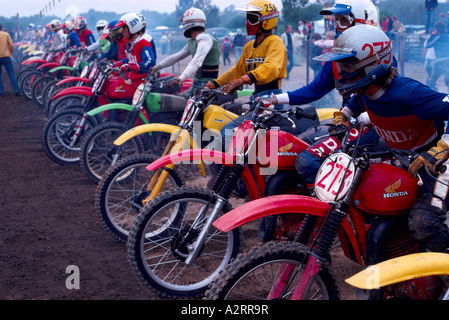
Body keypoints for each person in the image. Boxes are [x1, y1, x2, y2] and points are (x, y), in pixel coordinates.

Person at [323, 24, 449, 252]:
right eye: (340, 65)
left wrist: (442, 147)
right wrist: (343, 116)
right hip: (405, 158)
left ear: (370, 65)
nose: (341, 73)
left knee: (424, 224)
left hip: (439, 162)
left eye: (348, 66)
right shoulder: (366, 90)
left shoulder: (410, 93)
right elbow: (356, 103)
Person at [262, 0, 382, 189]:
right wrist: (275, 99)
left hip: (374, 126)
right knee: (299, 145)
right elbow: (314, 89)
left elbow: (388, 101)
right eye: (335, 20)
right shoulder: (337, 58)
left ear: (362, 23)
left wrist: (360, 117)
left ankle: (329, 210)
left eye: (342, 20)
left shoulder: (379, 54)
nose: (335, 26)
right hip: (349, 123)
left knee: (307, 160)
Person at [205, 0, 287, 151]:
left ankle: (240, 172)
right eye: (247, 17)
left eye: (253, 18)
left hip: (272, 100)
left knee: (228, 133)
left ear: (266, 21)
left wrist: (244, 79)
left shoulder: (275, 42)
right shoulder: (249, 46)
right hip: (256, 100)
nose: (248, 22)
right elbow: (237, 70)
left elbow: (271, 67)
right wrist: (214, 84)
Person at [151, 8, 220, 90]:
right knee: (185, 100)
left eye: (184, 23)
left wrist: (181, 78)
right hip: (198, 81)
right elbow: (177, 56)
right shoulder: (193, 41)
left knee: (190, 102)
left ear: (189, 23)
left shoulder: (205, 38)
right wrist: (156, 68)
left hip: (208, 84)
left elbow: (196, 61)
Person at [112, 12, 156, 87]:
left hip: (141, 84)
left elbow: (149, 61)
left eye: (124, 28)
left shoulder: (143, 43)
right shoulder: (133, 43)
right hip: (133, 82)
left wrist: (132, 67)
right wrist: (117, 64)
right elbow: (129, 59)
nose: (122, 31)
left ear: (133, 28)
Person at [426, 21, 449, 91]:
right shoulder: (447, 37)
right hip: (447, 62)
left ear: (437, 29)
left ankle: (434, 97)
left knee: (431, 82)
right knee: (448, 81)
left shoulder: (437, 38)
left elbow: (427, 45)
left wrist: (433, 35)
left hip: (440, 63)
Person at [0, 24, 20, 96]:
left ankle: (1, 92)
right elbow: (11, 45)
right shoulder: (6, 34)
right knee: (11, 74)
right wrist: (10, 53)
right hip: (6, 56)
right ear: (1, 28)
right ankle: (17, 91)